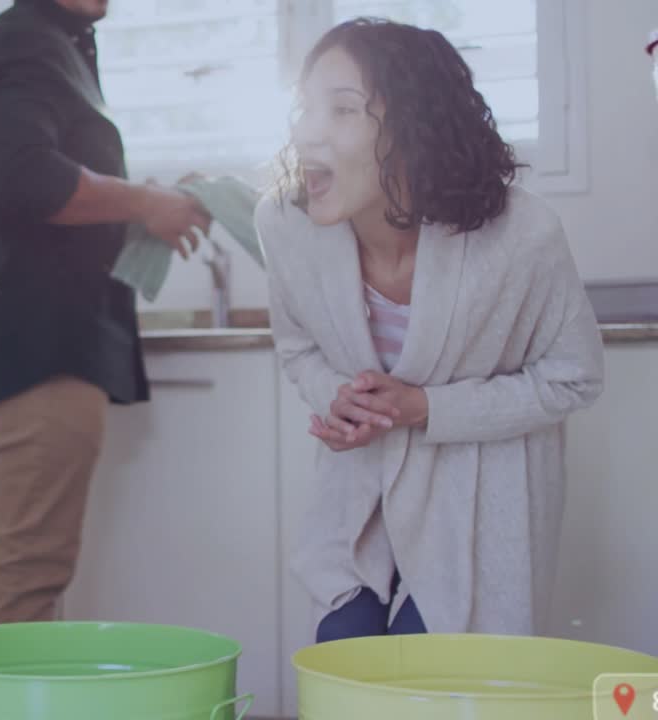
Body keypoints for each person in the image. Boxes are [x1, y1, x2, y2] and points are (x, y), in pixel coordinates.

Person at [257, 18, 605, 642]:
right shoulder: (285, 226)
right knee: (345, 652)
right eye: (305, 107)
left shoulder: (522, 237)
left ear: (414, 127)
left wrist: (426, 407)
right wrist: (336, 399)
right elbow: (299, 347)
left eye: (341, 110)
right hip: (360, 499)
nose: (306, 131)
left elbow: (573, 377)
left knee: (437, 677)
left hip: (473, 506)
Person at [0, 0, 213, 626]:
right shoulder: (24, 41)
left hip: (50, 347)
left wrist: (148, 205)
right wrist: (146, 202)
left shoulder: (53, 44)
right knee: (31, 571)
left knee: (36, 567)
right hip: (43, 350)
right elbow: (26, 178)